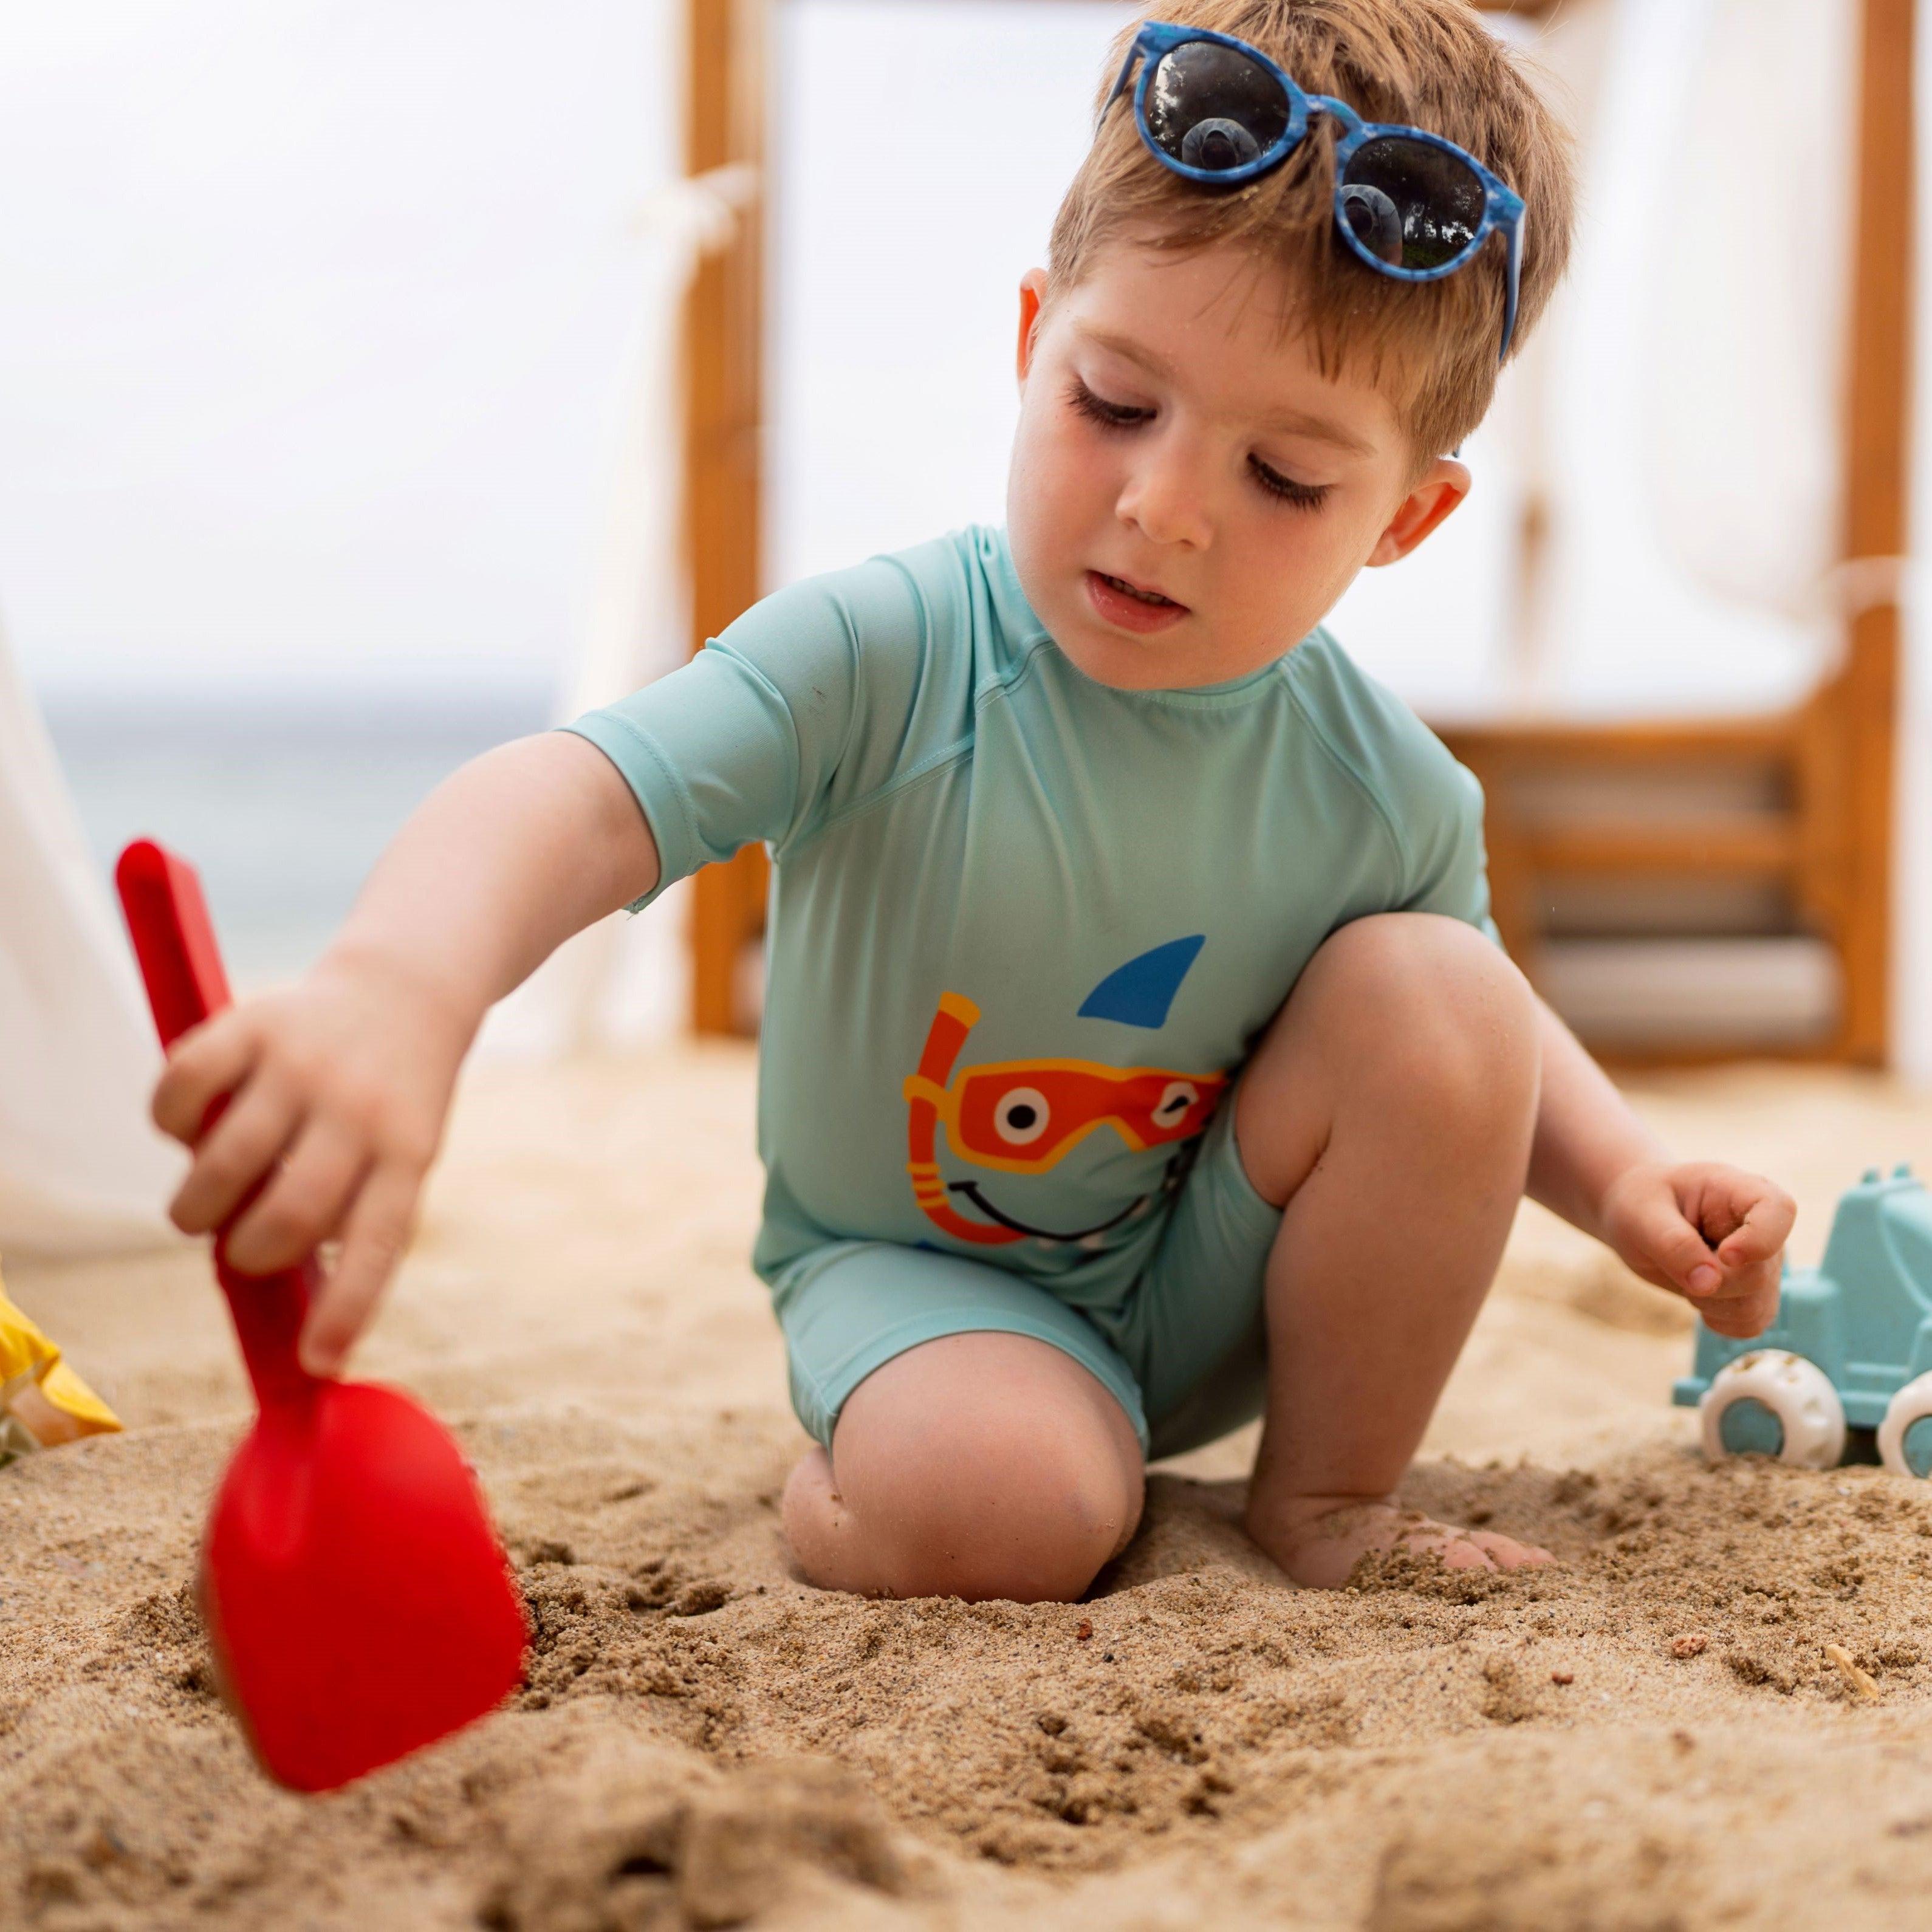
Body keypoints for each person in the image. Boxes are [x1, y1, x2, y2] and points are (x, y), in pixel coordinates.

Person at [149, 0, 1795, 1601]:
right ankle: (884, 1461)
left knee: (1436, 978)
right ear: (1030, 346)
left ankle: (1328, 1494)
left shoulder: (1384, 785)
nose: (1161, 509)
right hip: (922, 1274)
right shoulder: (891, 652)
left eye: (1283, 477)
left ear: (1401, 521)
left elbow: (1476, 1044)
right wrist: (396, 986)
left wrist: (1622, 1177)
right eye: (1112, 403)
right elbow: (583, 797)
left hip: (1208, 1286)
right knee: (1007, 1507)